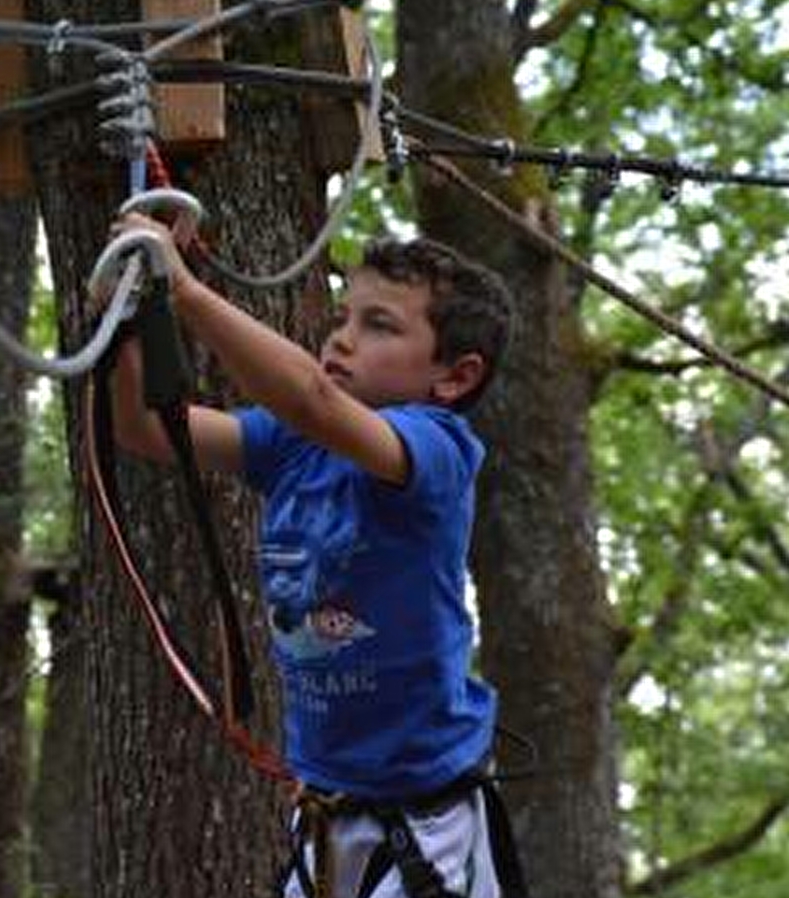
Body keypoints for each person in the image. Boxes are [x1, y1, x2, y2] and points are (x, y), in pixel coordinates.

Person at [100, 213, 520, 898]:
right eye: (341, 317)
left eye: (378, 325)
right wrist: (125, 322)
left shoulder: (437, 450)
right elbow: (146, 430)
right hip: (326, 811)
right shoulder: (291, 444)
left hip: (427, 819)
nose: (341, 339)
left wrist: (186, 294)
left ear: (453, 377)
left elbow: (313, 397)